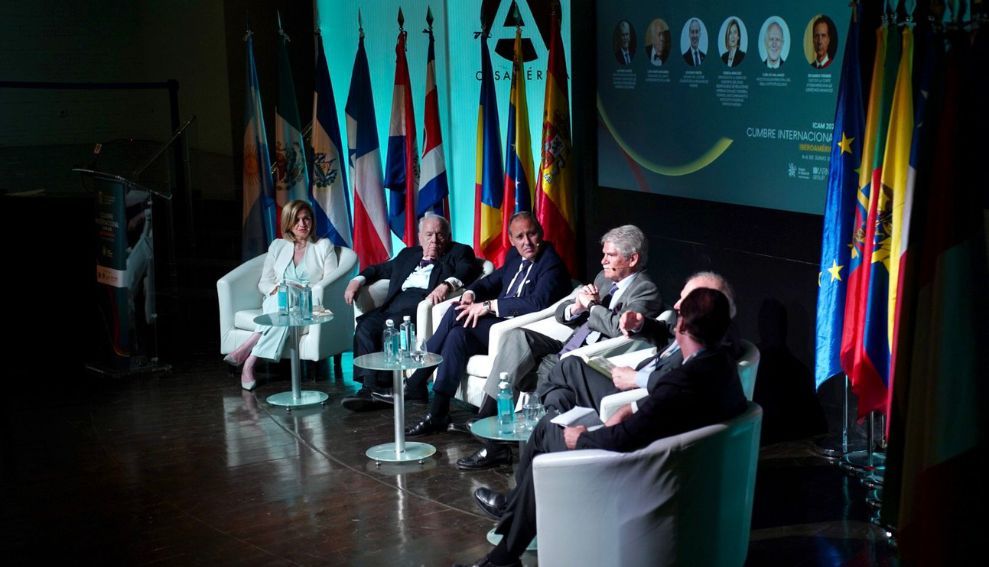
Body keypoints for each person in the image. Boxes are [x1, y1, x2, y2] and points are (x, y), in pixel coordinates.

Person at [453, 288, 747, 567]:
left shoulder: (681, 380)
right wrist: (632, 408)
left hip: (633, 467)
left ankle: (505, 549)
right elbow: (666, 409)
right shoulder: (722, 366)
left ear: (681, 326)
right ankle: (511, 533)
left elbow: (624, 438)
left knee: (547, 430)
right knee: (553, 420)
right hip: (677, 466)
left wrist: (580, 439)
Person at [455, 225, 663, 470]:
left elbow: (621, 329)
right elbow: (562, 313)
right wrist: (578, 307)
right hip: (567, 345)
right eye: (604, 254)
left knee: (531, 372)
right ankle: (488, 421)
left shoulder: (645, 290)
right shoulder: (603, 278)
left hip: (587, 359)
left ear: (633, 259)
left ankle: (492, 441)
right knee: (516, 337)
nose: (603, 260)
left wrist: (592, 307)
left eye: (611, 255)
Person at [402, 212, 571, 436]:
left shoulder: (551, 263)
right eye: (520, 237)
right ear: (511, 239)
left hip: (513, 329)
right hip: (495, 326)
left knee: (455, 313)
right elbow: (492, 280)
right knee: (456, 336)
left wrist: (488, 306)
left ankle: (416, 379)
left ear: (540, 233)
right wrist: (471, 293)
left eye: (531, 234)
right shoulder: (514, 255)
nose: (527, 242)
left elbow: (536, 303)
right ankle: (438, 413)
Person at [538, 271, 740, 414]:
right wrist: (641, 323)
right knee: (558, 399)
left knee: (568, 365)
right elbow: (669, 333)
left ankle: (537, 415)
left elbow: (689, 381)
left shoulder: (722, 343)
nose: (677, 305)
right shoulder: (700, 330)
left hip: (636, 397)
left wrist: (637, 378)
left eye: (686, 300)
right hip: (629, 382)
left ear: (710, 304)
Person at [339, 213, 479, 411]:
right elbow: (379, 269)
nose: (434, 240)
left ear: (448, 237)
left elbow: (467, 269)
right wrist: (356, 281)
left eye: (440, 235)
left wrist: (447, 285)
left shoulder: (459, 251)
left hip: (420, 306)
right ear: (420, 237)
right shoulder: (408, 254)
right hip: (393, 304)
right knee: (365, 326)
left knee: (392, 326)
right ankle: (369, 388)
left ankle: (382, 390)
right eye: (429, 235)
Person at [222, 200, 340, 391]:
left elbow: (330, 284)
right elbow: (264, 282)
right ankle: (250, 360)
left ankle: (249, 355)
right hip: (278, 301)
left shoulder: (323, 246)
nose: (302, 224)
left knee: (288, 297)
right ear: (288, 222)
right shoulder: (278, 245)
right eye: (296, 220)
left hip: (307, 303)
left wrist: (298, 291)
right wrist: (277, 289)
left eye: (306, 219)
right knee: (284, 298)